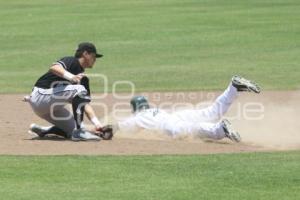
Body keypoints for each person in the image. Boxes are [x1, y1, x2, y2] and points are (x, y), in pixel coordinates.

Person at [117, 76, 261, 142]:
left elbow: (121, 127)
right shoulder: (154, 110)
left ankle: (220, 129)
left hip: (170, 125)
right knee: (212, 112)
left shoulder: (139, 117)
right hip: (177, 116)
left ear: (135, 109)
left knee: (191, 130)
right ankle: (233, 88)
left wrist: (102, 129)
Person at [26, 42, 105, 141]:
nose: (95, 60)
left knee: (73, 129)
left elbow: (84, 104)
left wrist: (97, 124)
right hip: (41, 96)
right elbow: (54, 68)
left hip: (51, 107)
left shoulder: (82, 78)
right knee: (79, 89)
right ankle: (79, 131)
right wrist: (71, 77)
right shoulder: (71, 61)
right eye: (94, 56)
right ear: (86, 54)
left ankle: (44, 130)